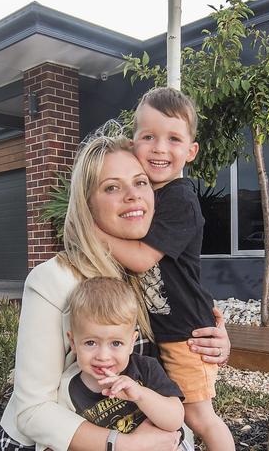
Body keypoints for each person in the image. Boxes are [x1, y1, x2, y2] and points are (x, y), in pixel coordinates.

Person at [0, 133, 231, 451]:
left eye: (141, 182)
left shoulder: (155, 270)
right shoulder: (51, 281)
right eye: (112, 187)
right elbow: (32, 412)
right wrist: (124, 445)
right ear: (88, 204)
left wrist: (214, 343)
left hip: (145, 424)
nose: (133, 196)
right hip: (68, 440)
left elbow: (176, 356)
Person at [95, 88, 235, 451]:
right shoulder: (147, 196)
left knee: (199, 417)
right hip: (166, 330)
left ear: (191, 151)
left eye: (173, 139)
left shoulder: (180, 200)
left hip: (188, 335)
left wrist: (91, 230)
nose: (159, 148)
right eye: (149, 137)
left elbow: (141, 259)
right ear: (133, 143)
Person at [58, 277, 187, 449]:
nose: (103, 356)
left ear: (132, 342)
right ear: (73, 342)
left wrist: (140, 394)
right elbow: (70, 440)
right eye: (90, 343)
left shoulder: (145, 368)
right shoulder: (68, 390)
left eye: (116, 343)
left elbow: (175, 419)